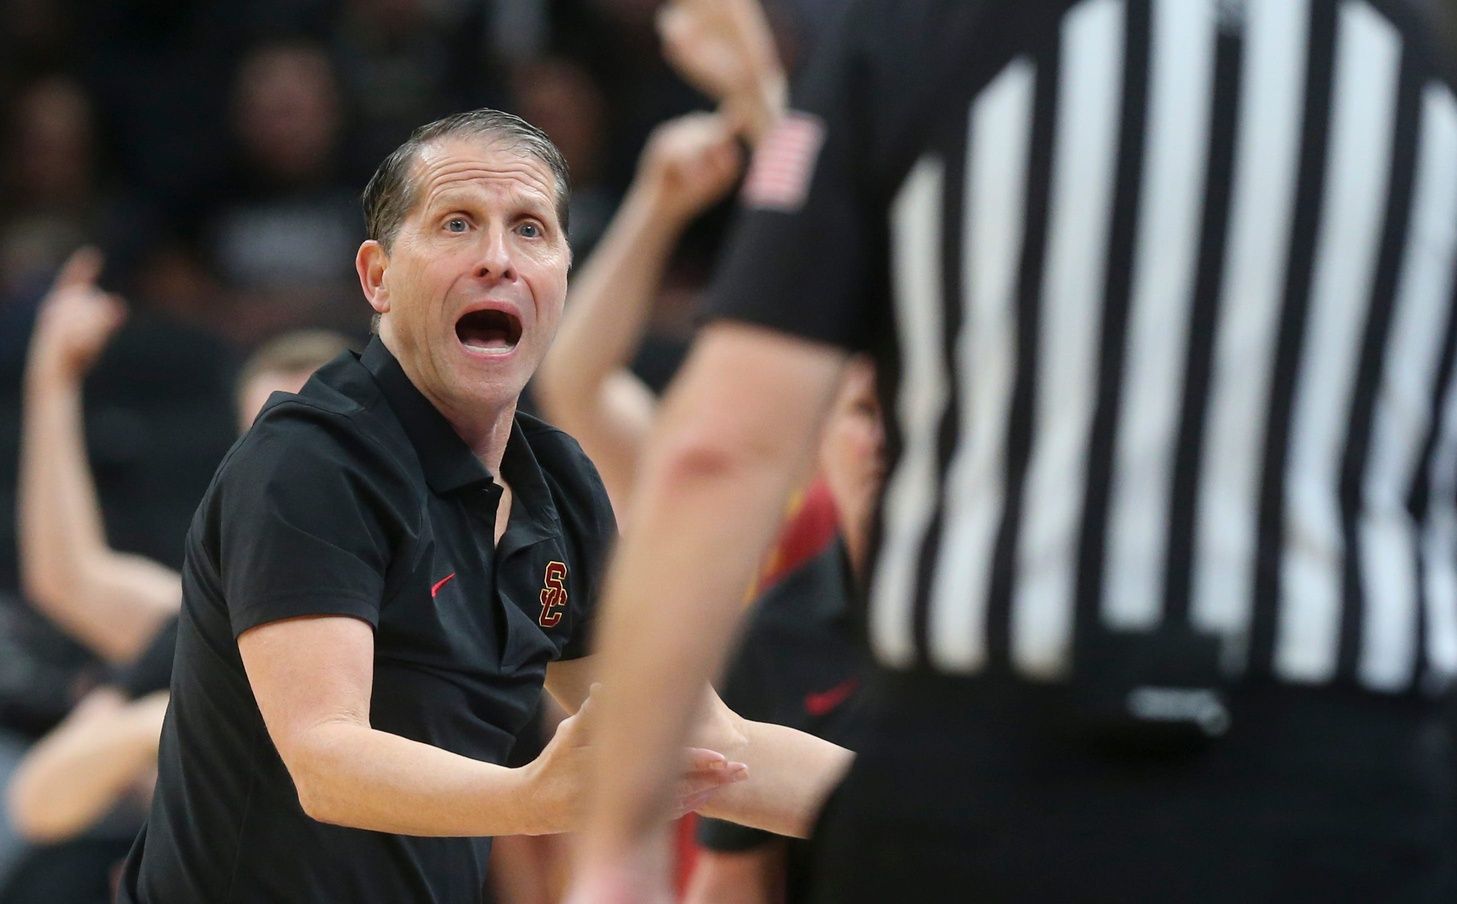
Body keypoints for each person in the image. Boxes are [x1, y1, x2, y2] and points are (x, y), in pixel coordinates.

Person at [573, 0, 1457, 901]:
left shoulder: (923, 35)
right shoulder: (1424, 51)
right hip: (1353, 773)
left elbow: (720, 451)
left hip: (991, 767)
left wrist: (619, 849)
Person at [117, 108, 848, 904]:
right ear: (377, 277)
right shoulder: (311, 460)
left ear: (562, 276)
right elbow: (326, 760)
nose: (497, 258)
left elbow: (710, 746)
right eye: (457, 224)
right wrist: (534, 797)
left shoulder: (559, 485)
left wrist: (945, 824)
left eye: (530, 229)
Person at [685, 359, 880, 904]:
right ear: (821, 436)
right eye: (865, 412)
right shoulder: (773, 634)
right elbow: (734, 879)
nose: (886, 439)